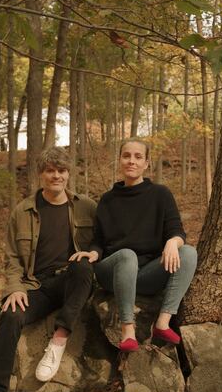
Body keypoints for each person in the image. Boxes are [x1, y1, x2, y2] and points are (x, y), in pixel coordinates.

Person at [0, 147, 96, 392]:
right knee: (12, 314)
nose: (56, 176)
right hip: (35, 286)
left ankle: (59, 340)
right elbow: (12, 257)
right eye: (50, 171)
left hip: (71, 281)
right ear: (41, 175)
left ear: (68, 174)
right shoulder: (23, 211)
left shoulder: (86, 207)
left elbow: (102, 243)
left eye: (61, 171)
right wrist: (14, 288)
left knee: (83, 267)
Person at [70, 139, 197, 352]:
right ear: (120, 160)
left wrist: (173, 242)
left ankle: (163, 323)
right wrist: (93, 253)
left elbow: (177, 230)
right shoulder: (107, 200)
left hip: (147, 274)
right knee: (127, 255)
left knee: (189, 252)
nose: (132, 161)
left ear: (147, 163)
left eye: (138, 157)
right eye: (126, 156)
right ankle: (128, 329)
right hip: (113, 272)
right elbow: (99, 241)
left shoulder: (160, 195)